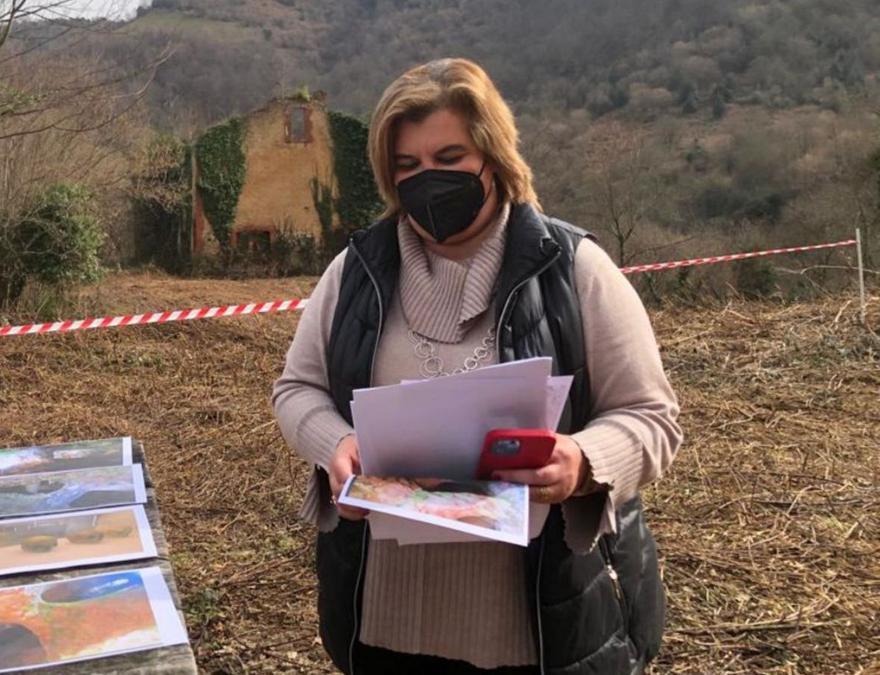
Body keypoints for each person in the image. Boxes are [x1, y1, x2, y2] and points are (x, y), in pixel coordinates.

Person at [272, 58, 683, 675]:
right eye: (407, 166)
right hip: (383, 624)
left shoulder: (574, 269)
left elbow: (653, 418)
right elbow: (297, 388)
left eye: (450, 157)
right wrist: (337, 444)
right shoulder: (355, 272)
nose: (427, 180)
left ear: (494, 156)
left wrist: (583, 462)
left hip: (539, 628)